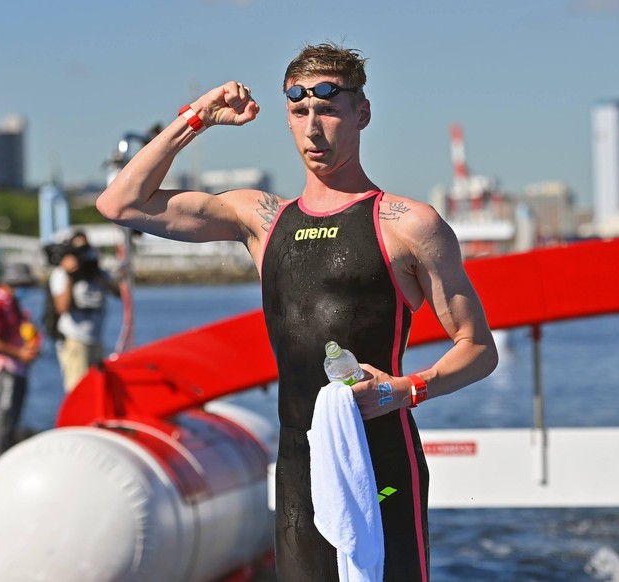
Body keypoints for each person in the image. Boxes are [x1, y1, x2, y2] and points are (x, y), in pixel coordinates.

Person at [96, 42, 498, 581]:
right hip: (297, 463)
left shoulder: (406, 224)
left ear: (363, 113)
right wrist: (197, 117)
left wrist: (410, 389)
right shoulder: (260, 218)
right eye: (299, 110)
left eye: (328, 108)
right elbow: (119, 203)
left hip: (382, 456)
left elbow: (478, 347)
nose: (313, 127)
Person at [0, 262, 42, 458]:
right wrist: (18, 353)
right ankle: (0, 457)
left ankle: (7, 454)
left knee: (13, 415)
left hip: (19, 367)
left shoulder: (12, 302)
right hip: (6, 366)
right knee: (4, 416)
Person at [48, 230, 119, 392]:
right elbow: (62, 307)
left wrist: (96, 269)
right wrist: (70, 275)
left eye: (85, 248)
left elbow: (118, 293)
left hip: (96, 339)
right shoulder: (61, 274)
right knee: (78, 390)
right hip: (75, 340)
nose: (82, 254)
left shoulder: (96, 273)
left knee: (98, 389)